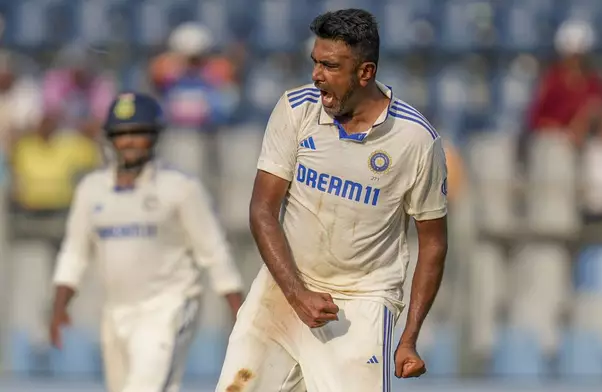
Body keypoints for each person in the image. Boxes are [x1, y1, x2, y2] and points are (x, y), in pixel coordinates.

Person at [215, 9, 448, 392]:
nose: (316, 75)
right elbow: (262, 210)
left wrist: (409, 337)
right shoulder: (296, 109)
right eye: (315, 62)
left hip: (359, 304)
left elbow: (434, 241)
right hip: (284, 290)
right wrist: (296, 293)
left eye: (330, 65)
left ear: (365, 72)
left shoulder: (416, 140)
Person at [49, 92, 244, 392]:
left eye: (138, 133)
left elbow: (213, 250)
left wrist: (237, 311)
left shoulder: (180, 188)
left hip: (169, 305)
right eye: (122, 133)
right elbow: (74, 252)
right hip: (116, 311)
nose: (129, 141)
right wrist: (59, 307)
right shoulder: (92, 190)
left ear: (154, 136)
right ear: (110, 138)